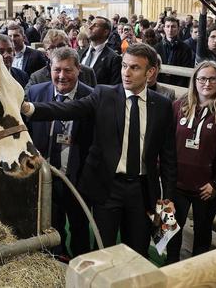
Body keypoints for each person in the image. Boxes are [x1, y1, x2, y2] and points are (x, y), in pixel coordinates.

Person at [21, 43, 177, 257]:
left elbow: (168, 156)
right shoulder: (104, 95)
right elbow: (69, 108)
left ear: (150, 72)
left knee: (138, 250)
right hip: (108, 188)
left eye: (134, 68)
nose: (126, 73)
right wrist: (30, 108)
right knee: (103, 250)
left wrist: (167, 196)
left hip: (142, 191)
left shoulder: (162, 106)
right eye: (124, 66)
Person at [26, 47, 93, 260]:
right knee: (50, 228)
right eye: (57, 70)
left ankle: (81, 267)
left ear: (78, 70)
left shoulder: (92, 97)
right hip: (45, 178)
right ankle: (55, 264)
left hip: (77, 180)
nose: (62, 76)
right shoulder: (35, 93)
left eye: (68, 70)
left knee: (80, 228)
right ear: (50, 69)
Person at [165, 61, 216, 264]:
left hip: (207, 187)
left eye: (212, 78)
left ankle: (199, 272)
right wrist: (165, 176)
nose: (207, 83)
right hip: (175, 183)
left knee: (203, 231)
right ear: (194, 81)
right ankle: (168, 267)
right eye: (202, 78)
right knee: (168, 228)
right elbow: (166, 143)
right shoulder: (178, 106)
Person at [25, 29, 96, 93]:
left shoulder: (87, 73)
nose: (57, 50)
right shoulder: (37, 78)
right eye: (52, 48)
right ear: (47, 54)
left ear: (70, 46)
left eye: (61, 45)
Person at [79, 16, 122, 85]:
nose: (90, 27)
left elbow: (114, 88)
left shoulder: (114, 59)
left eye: (95, 26)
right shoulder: (80, 53)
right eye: (91, 24)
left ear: (105, 32)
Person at [154, 16, 194, 86]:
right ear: (164, 28)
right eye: (168, 26)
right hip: (159, 84)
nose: (170, 29)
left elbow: (186, 71)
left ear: (178, 29)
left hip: (178, 86)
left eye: (173, 27)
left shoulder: (186, 48)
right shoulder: (156, 48)